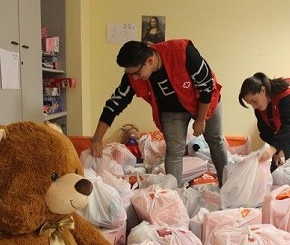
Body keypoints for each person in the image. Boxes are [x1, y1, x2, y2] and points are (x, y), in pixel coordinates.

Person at [90, 39, 228, 188]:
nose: (135, 78)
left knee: (216, 141)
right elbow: (115, 103)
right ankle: (172, 196)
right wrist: (97, 139)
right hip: (172, 110)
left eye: (137, 73)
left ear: (149, 61)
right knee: (174, 151)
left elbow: (207, 86)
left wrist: (200, 120)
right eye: (131, 74)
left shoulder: (183, 52)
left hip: (205, 101)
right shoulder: (133, 75)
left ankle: (227, 184)